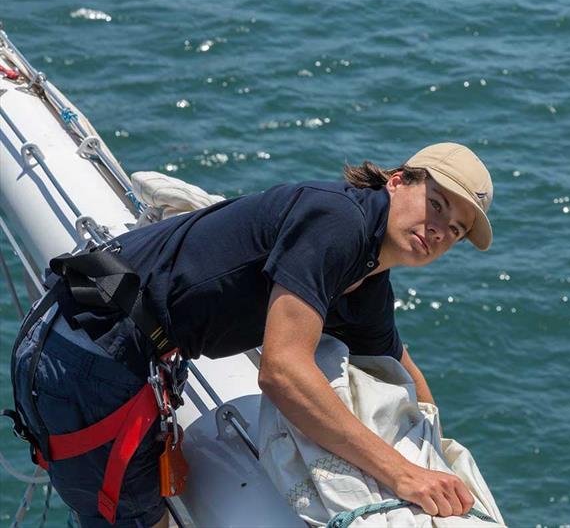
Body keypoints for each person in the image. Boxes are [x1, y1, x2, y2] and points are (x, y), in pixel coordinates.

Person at [11, 142, 494, 528]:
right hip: (86, 352)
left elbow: (400, 370)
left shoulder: (367, 278)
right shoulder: (338, 222)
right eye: (435, 205)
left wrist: (438, 456)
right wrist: (403, 473)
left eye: (454, 230)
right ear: (396, 181)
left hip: (123, 348)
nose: (438, 231)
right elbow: (282, 372)